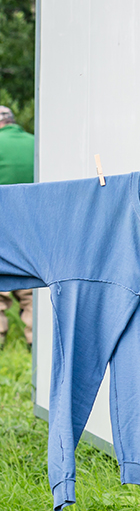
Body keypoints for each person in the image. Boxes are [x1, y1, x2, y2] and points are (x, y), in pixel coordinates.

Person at [0, 104, 35, 347]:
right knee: (32, 288)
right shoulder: (37, 142)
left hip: (3, 224)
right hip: (33, 225)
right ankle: (36, 339)